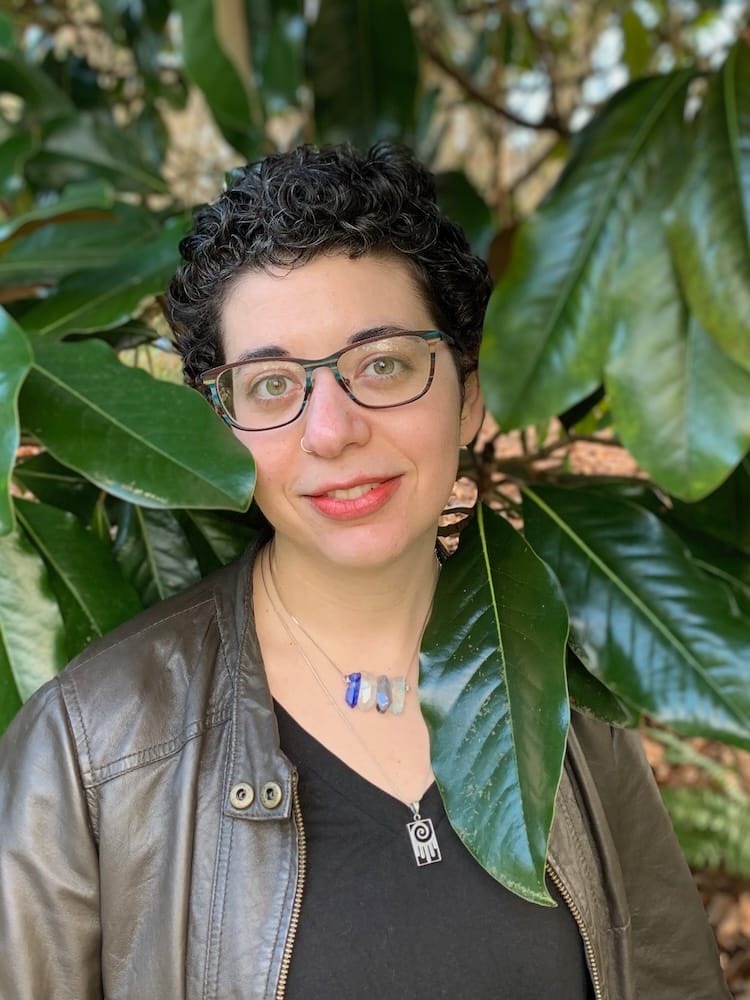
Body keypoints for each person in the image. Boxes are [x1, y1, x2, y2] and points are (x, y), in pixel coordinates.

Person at [0, 144, 728, 1000]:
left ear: (468, 395)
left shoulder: (568, 695)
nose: (332, 430)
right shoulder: (91, 751)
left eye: (382, 363)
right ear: (220, 428)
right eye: (271, 385)